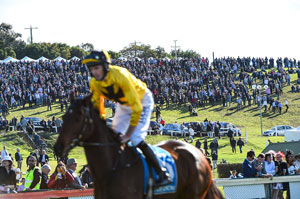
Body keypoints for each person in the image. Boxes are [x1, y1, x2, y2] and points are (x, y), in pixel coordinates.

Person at [82, 50, 170, 186]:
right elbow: (98, 108)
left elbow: (137, 108)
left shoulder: (120, 75)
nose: (94, 72)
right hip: (123, 105)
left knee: (135, 138)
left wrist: (128, 134)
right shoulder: (95, 83)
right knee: (113, 137)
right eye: (92, 69)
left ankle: (162, 173)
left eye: (96, 68)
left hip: (142, 101)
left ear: (105, 66)